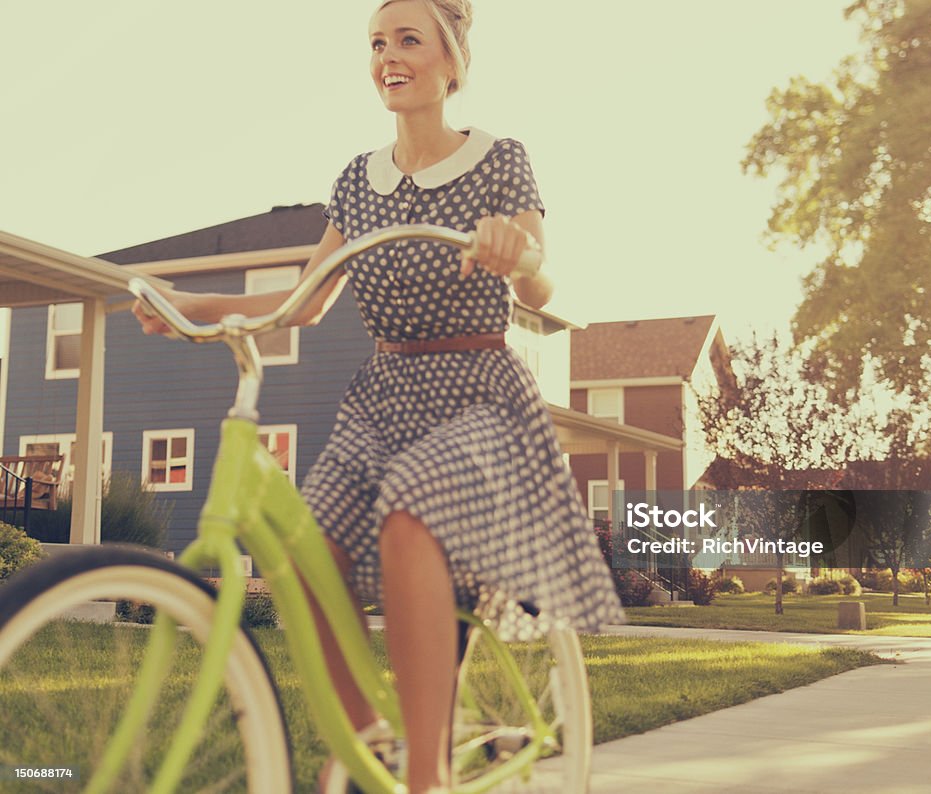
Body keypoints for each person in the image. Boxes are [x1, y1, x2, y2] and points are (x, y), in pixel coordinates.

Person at [134, 1, 624, 791]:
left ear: (451, 62)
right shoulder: (357, 182)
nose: (387, 56)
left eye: (406, 40)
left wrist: (516, 252)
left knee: (409, 513)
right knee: (305, 541)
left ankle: (425, 775)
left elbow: (542, 272)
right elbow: (305, 301)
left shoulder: (500, 160)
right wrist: (193, 308)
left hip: (477, 397)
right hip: (382, 397)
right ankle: (371, 742)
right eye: (375, 43)